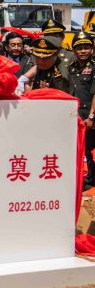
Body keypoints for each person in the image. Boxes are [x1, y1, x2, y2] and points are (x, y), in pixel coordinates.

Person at [68, 31, 95, 191]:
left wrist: (92, 116)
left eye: (87, 47)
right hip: (77, 116)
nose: (83, 51)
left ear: (92, 49)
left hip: (90, 116)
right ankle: (90, 176)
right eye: (79, 48)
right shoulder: (71, 68)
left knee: (89, 147)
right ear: (74, 50)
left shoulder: (93, 67)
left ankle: (91, 177)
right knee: (83, 148)